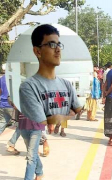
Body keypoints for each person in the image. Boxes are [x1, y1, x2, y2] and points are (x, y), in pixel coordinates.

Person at [19, 24, 82, 180]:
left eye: (58, 44)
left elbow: (77, 110)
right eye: (52, 44)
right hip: (24, 125)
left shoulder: (66, 84)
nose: (58, 49)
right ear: (37, 51)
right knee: (31, 153)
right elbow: (45, 118)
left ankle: (34, 176)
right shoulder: (29, 86)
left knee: (31, 156)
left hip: (35, 128)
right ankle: (39, 173)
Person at [0, 74, 21, 155]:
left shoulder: (2, 78)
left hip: (2, 104)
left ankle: (11, 144)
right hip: (12, 105)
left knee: (2, 123)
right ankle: (11, 144)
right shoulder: (15, 77)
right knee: (21, 125)